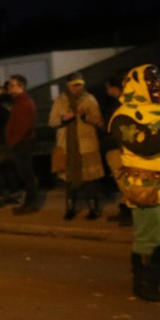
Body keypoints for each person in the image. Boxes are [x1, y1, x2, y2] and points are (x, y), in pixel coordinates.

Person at [108, 65, 160, 301]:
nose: (157, 88)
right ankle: (143, 282)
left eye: (159, 82)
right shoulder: (123, 115)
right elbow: (145, 143)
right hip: (146, 187)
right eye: (151, 83)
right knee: (149, 238)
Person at [49, 74, 104, 220]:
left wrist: (85, 116)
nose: (76, 87)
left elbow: (99, 121)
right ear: (67, 85)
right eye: (74, 84)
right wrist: (64, 119)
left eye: (79, 84)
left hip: (86, 145)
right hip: (66, 146)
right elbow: (52, 122)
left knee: (89, 179)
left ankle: (94, 209)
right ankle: (70, 209)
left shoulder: (89, 99)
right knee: (69, 180)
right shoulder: (60, 100)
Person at [101, 74, 133, 227]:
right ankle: (126, 210)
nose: (107, 91)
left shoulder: (121, 105)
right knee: (122, 181)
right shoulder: (119, 103)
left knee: (123, 181)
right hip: (115, 146)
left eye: (108, 88)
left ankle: (130, 212)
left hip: (117, 148)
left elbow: (118, 129)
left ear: (115, 88)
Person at [6, 75, 39, 214]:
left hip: (22, 143)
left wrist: (13, 141)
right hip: (21, 142)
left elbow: (24, 125)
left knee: (27, 175)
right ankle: (29, 202)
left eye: (12, 85)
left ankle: (30, 204)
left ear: (21, 86)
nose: (9, 87)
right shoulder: (19, 101)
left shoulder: (24, 102)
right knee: (25, 174)